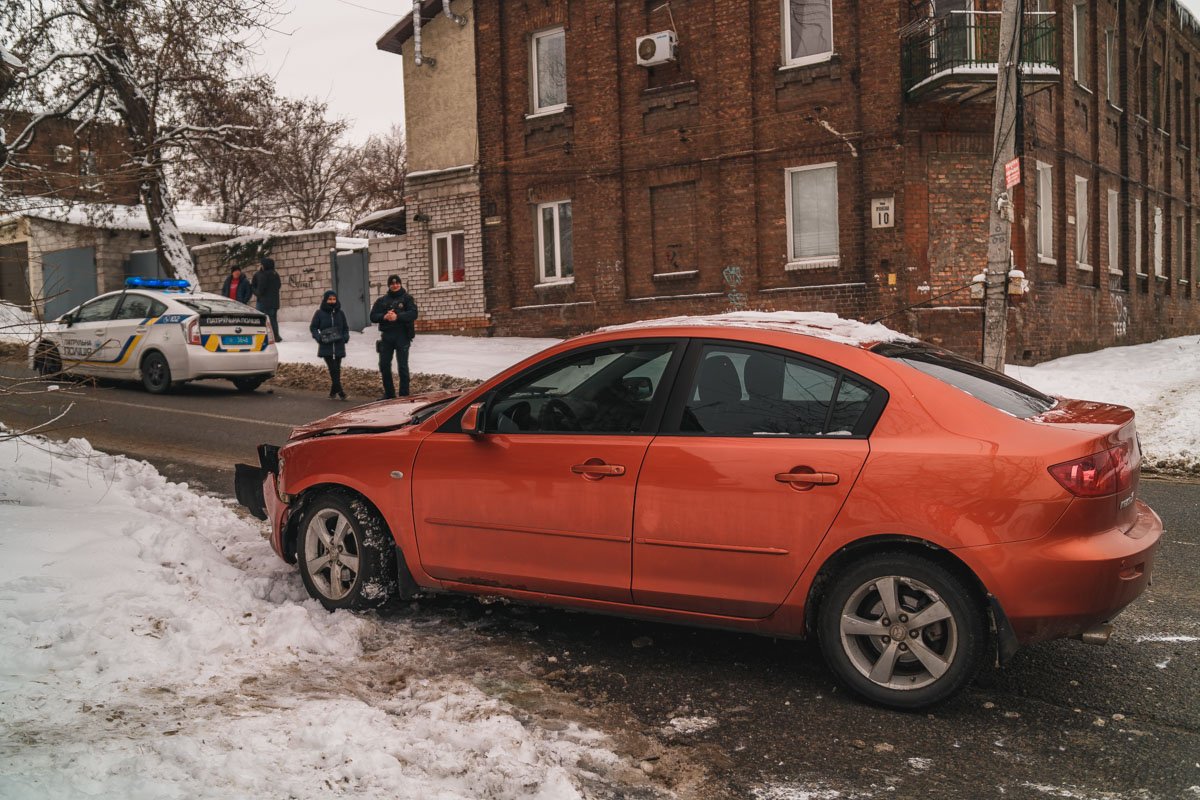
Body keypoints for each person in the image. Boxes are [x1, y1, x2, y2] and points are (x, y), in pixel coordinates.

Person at [369, 274, 418, 399]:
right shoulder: (382, 300)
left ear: (400, 284)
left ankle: (404, 395)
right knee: (384, 365)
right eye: (392, 284)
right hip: (387, 336)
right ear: (389, 285)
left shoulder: (407, 299)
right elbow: (373, 316)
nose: (395, 285)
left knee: (402, 366)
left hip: (402, 335)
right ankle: (389, 393)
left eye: (397, 283)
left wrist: (397, 316)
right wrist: (384, 316)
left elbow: (413, 313)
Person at [310, 290, 350, 400]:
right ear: (325, 300)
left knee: (337, 369)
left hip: (338, 345)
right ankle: (341, 392)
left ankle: (332, 392)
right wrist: (319, 338)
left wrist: (345, 337)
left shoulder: (340, 313)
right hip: (326, 346)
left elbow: (345, 328)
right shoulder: (319, 313)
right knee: (333, 369)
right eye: (330, 299)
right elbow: (313, 327)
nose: (332, 301)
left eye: (334, 299)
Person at [251, 256, 283, 342]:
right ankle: (276, 336)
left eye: (262, 264)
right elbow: (279, 286)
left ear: (265, 265)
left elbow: (260, 291)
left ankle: (265, 337)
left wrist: (253, 289)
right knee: (273, 320)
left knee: (261, 320)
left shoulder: (263, 275)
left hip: (263, 302)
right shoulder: (275, 274)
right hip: (274, 302)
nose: (260, 266)